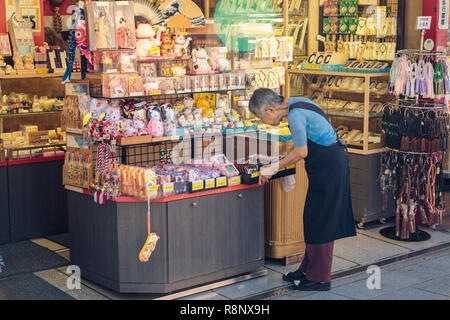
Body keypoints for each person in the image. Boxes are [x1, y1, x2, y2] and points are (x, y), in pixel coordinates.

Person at [249, 88, 357, 291]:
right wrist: (279, 160)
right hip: (326, 165)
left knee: (322, 221)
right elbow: (303, 143)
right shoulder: (297, 102)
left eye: (260, 117)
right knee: (312, 218)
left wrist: (273, 167)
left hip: (330, 167)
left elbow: (301, 151)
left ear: (271, 110)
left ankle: (321, 278)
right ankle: (306, 270)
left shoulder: (295, 116)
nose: (262, 121)